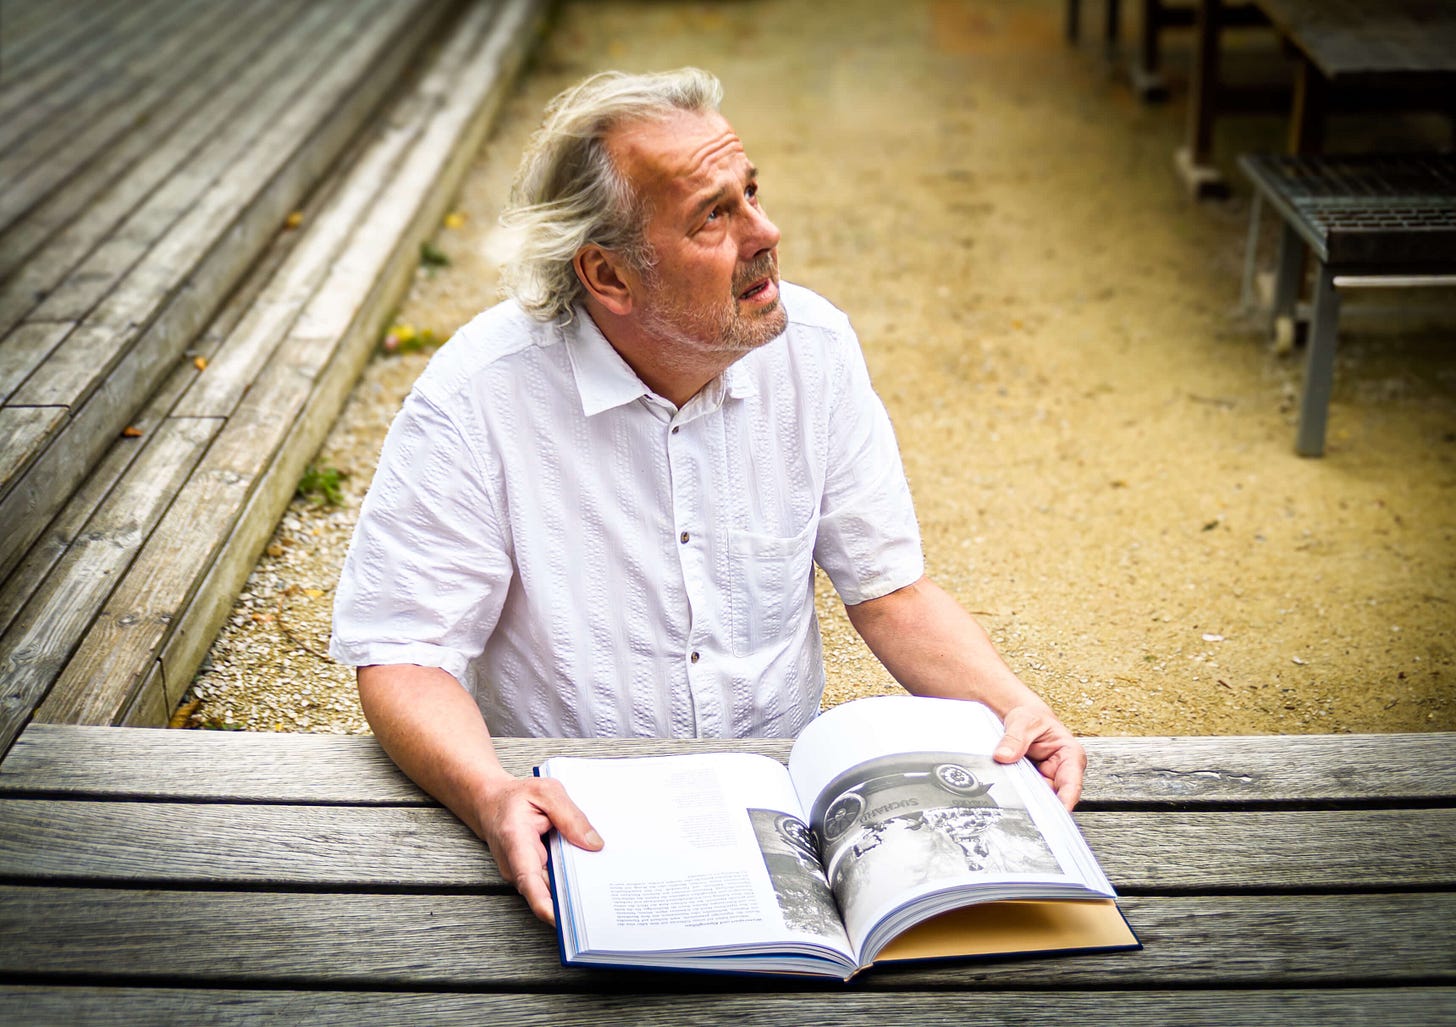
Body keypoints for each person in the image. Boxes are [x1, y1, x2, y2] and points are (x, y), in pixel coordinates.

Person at [330, 67, 1086, 925]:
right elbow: (403, 650)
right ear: (608, 276)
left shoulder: (819, 350)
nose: (767, 232)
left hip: (784, 802)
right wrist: (488, 791)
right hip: (581, 818)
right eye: (713, 216)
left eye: (751, 192)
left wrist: (1010, 702)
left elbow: (890, 591)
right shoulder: (477, 393)